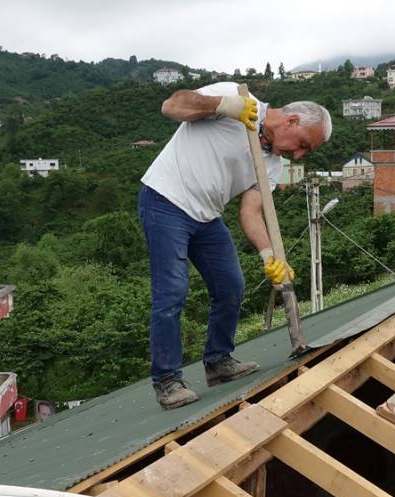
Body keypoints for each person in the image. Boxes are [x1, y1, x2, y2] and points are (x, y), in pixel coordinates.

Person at [139, 81, 331, 409]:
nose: (298, 154)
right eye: (302, 145)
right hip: (165, 201)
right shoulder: (238, 98)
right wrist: (222, 106)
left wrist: (269, 256)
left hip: (206, 215)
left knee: (230, 286)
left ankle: (218, 362)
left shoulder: (272, 164)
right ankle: (167, 380)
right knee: (172, 292)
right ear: (291, 121)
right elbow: (171, 105)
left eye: (305, 152)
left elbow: (251, 212)